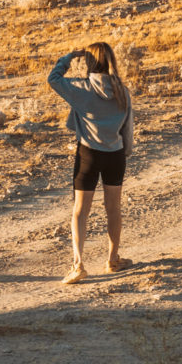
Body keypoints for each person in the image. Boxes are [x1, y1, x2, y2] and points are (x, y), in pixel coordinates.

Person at [48, 42, 134, 284]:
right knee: (113, 209)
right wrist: (125, 151)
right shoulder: (122, 90)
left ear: (89, 62)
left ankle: (78, 264)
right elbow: (128, 126)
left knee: (80, 211)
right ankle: (113, 258)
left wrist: (68, 56)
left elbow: (53, 79)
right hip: (115, 154)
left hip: (88, 154)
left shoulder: (81, 89)